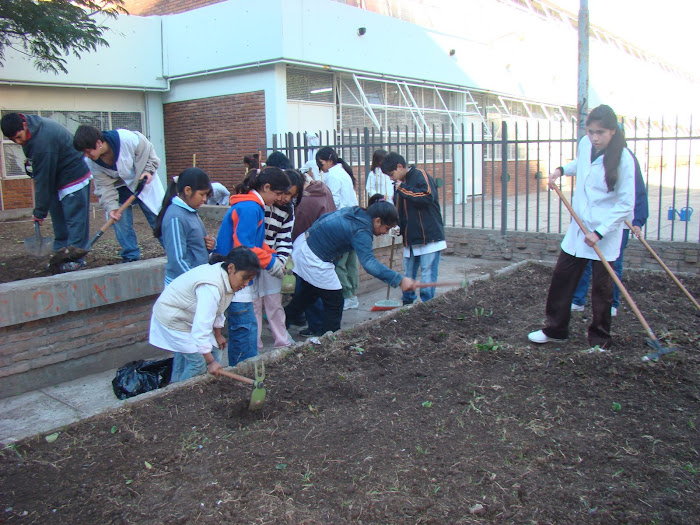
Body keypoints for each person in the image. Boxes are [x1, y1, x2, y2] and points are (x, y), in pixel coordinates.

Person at [527, 104, 635, 350]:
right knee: (562, 278)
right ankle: (556, 329)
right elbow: (581, 165)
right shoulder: (587, 145)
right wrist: (561, 170)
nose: (595, 138)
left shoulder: (625, 160)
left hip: (604, 234)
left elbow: (626, 204)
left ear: (613, 131)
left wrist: (600, 232)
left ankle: (600, 339)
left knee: (602, 290)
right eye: (591, 131)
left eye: (601, 133)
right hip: (579, 228)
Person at [284, 197, 418, 336]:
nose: (386, 232)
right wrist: (399, 280)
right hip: (313, 257)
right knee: (335, 302)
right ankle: (330, 341)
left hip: (304, 244)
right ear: (377, 220)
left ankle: (283, 320)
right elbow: (369, 264)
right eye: (387, 228)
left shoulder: (356, 212)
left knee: (310, 293)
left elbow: (325, 218)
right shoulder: (362, 230)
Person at [214, 167, 290, 365]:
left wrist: (272, 255)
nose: (279, 199)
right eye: (278, 193)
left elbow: (256, 243)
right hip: (235, 276)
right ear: (266, 187)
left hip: (237, 274)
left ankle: (244, 368)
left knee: (246, 328)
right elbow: (244, 246)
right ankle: (243, 370)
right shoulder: (251, 208)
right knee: (244, 330)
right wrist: (271, 263)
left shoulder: (251, 205)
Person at [149, 247, 260, 383]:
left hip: (187, 317)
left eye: (250, 280)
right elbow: (201, 328)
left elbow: (218, 309)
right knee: (198, 364)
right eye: (245, 278)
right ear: (231, 268)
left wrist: (218, 334)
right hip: (172, 318)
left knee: (213, 350)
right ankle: (174, 394)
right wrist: (211, 362)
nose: (246, 284)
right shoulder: (211, 286)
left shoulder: (225, 276)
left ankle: (177, 382)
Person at [1, 113, 92, 272]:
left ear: (23, 125)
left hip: (73, 176)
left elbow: (43, 181)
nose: (18, 141)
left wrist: (39, 212)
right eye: (13, 140)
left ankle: (77, 259)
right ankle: (60, 257)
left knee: (75, 221)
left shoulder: (42, 141)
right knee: (59, 220)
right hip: (57, 176)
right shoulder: (30, 128)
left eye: (18, 137)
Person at [571, 148, 649, 316]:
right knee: (584, 260)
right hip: (593, 221)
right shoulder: (593, 155)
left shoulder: (625, 159)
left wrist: (638, 221)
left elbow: (638, 191)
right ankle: (578, 300)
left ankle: (611, 303)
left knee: (613, 264)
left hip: (617, 223)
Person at [73, 124, 165, 263]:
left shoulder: (127, 139)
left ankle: (173, 249)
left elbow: (149, 154)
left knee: (157, 218)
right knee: (120, 221)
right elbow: (104, 187)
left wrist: (149, 170)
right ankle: (131, 256)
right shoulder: (92, 163)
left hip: (143, 182)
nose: (86, 156)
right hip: (119, 188)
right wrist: (112, 208)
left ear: (98, 143)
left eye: (88, 151)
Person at [381, 152, 446, 305]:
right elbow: (400, 210)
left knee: (427, 274)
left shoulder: (420, 175)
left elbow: (427, 196)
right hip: (411, 238)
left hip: (429, 237)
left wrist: (403, 188)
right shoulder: (398, 185)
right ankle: (408, 303)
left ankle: (427, 305)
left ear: (400, 166)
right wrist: (396, 226)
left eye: (392, 174)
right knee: (408, 274)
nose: (391, 178)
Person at [252, 168, 304, 350]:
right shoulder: (259, 205)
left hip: (273, 260)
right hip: (253, 258)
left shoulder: (287, 211)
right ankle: (254, 344)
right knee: (254, 304)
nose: (286, 199)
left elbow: (284, 238)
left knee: (274, 303)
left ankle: (282, 341)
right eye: (285, 194)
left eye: (292, 196)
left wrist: (280, 261)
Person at [289, 176, 337, 337]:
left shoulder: (305, 202)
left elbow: (299, 230)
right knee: (321, 290)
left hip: (310, 251)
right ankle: (323, 327)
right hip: (329, 247)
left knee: (308, 291)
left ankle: (316, 326)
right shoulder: (324, 190)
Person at [153, 167, 216, 286]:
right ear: (187, 190)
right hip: (183, 285)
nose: (204, 199)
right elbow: (178, 259)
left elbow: (194, 244)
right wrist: (197, 283)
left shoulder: (190, 211)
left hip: (194, 280)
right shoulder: (176, 217)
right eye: (202, 194)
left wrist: (211, 244)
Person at [316, 146, 361, 310]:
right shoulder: (343, 172)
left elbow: (331, 201)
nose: (322, 168)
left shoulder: (333, 175)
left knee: (339, 262)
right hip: (354, 220)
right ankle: (352, 295)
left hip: (343, 222)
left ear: (326, 160)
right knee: (350, 261)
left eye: (321, 164)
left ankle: (347, 295)